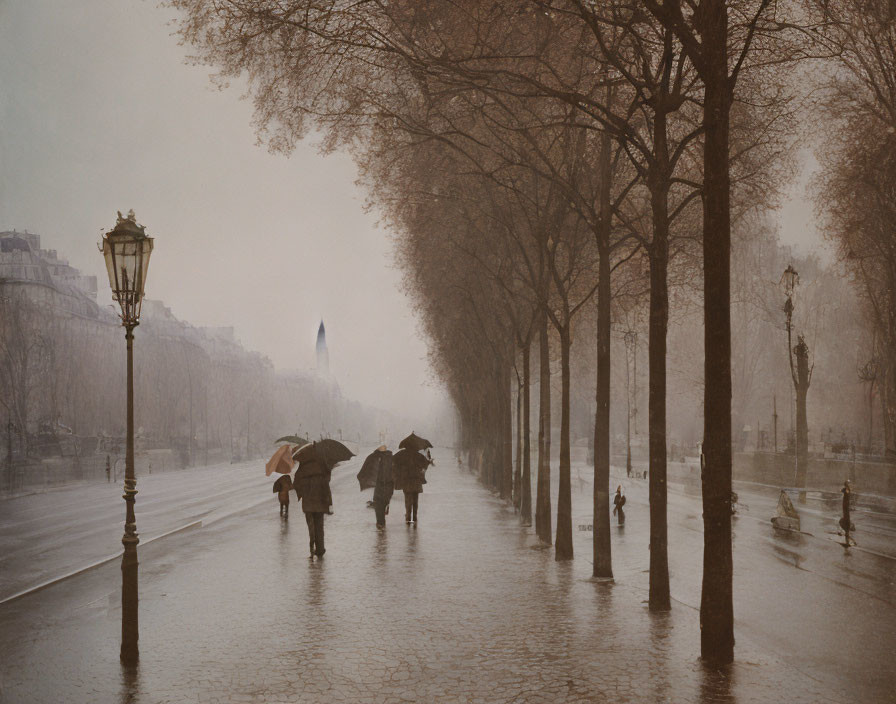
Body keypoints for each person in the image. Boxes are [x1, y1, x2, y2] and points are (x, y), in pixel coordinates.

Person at [294, 458, 331, 558]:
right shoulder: (322, 469)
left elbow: (296, 485)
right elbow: (327, 488)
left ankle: (312, 546)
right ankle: (320, 549)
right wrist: (329, 504)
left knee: (311, 527)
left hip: (308, 505)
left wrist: (302, 493)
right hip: (320, 504)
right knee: (319, 527)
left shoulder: (302, 470)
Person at [371, 446, 394, 529]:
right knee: (384, 502)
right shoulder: (391, 457)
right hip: (389, 484)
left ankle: (380, 522)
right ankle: (382, 521)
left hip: (380, 484)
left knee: (378, 504)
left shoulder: (378, 458)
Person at [840, 479, 854, 545]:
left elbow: (841, 491)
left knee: (846, 514)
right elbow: (845, 492)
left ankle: (847, 527)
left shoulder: (846, 489)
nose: (849, 484)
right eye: (848, 483)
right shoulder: (846, 489)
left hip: (846, 503)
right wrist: (846, 489)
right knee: (846, 514)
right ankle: (846, 527)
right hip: (845, 504)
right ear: (846, 484)